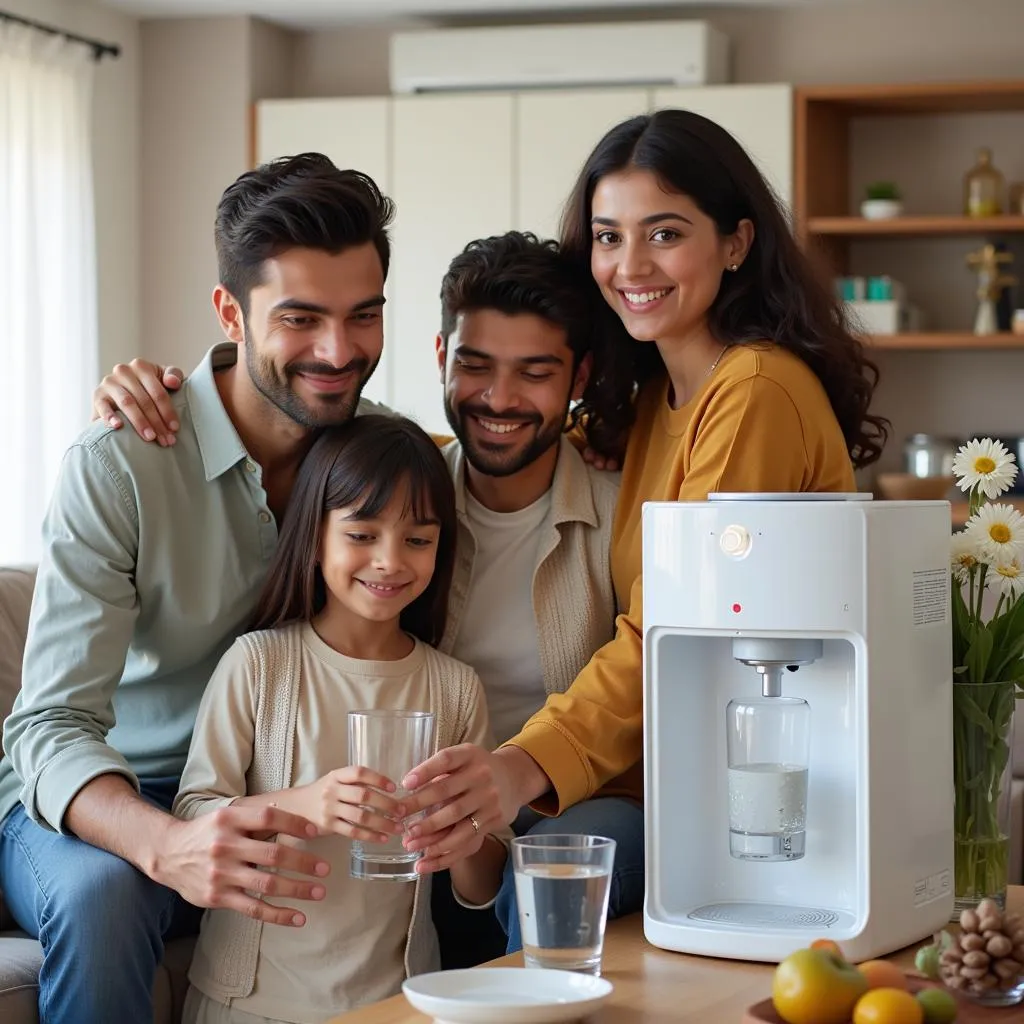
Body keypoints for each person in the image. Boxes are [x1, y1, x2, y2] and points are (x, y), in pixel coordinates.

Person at [396, 108, 890, 941]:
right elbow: (509, 431)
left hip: (725, 781)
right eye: (608, 236)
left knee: (544, 875)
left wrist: (522, 765)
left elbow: (669, 626)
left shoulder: (754, 391)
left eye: (663, 233)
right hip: (652, 771)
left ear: (735, 242)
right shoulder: (659, 403)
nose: (629, 265)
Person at [89, 231, 642, 964]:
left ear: (578, 377)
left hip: (542, 813)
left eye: (535, 373)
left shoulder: (620, 512)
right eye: (476, 366)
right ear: (442, 359)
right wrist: (154, 391)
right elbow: (273, 396)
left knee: (552, 863)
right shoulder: (400, 491)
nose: (500, 399)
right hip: (415, 826)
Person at [0, 152, 396, 1024]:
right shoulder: (122, 463)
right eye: (300, 318)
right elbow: (50, 724)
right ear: (230, 312)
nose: (339, 352)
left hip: (275, 792)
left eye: (363, 316)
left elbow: (494, 454)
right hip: (116, 800)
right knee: (108, 896)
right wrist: (168, 843)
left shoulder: (385, 456)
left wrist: (595, 431)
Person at [174, 414, 508, 1024]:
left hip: (399, 1002)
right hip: (248, 1003)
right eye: (362, 533)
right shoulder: (259, 664)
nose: (389, 561)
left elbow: (482, 890)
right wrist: (307, 805)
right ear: (315, 534)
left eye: (418, 539)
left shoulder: (455, 688)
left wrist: (460, 834)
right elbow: (193, 820)